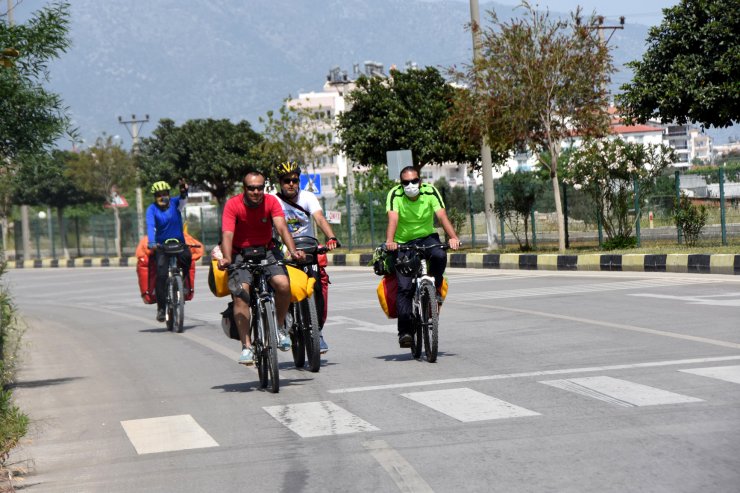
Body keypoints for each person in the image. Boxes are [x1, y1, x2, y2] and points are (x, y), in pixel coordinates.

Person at [217, 171, 306, 365]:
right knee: (242, 295)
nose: (256, 191)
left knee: (283, 285)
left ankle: (280, 328)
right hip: (240, 252)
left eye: (259, 187)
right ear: (244, 189)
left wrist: (293, 251)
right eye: (251, 188)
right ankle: (247, 346)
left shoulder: (271, 202)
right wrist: (226, 257)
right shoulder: (233, 205)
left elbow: (282, 228)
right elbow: (227, 234)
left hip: (267, 250)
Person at [385, 166, 460, 348]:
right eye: (405, 182)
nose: (410, 185)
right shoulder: (395, 194)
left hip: (427, 238)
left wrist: (453, 237)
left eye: (414, 181)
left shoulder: (430, 191)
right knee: (404, 289)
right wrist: (390, 241)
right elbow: (393, 219)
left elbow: (441, 215)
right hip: (403, 242)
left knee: (440, 255)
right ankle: (405, 332)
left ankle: (435, 288)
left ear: (420, 180)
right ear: (401, 184)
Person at [273, 161, 339, 353]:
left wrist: (331, 237)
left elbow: (319, 218)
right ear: (280, 182)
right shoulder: (273, 200)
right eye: (287, 181)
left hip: (307, 246)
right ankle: (284, 321)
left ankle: (317, 333)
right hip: (285, 249)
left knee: (316, 288)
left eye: (295, 180)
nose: (291, 184)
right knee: (282, 286)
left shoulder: (308, 196)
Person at [146, 180, 192, 322]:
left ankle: (181, 282)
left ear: (168, 194)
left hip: (179, 244)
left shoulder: (175, 203)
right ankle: (161, 308)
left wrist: (184, 191)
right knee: (161, 276)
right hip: (161, 247)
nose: (162, 197)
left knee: (187, 258)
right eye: (159, 195)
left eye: (165, 194)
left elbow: (183, 200)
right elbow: (150, 225)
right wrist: (152, 242)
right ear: (155, 197)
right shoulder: (152, 209)